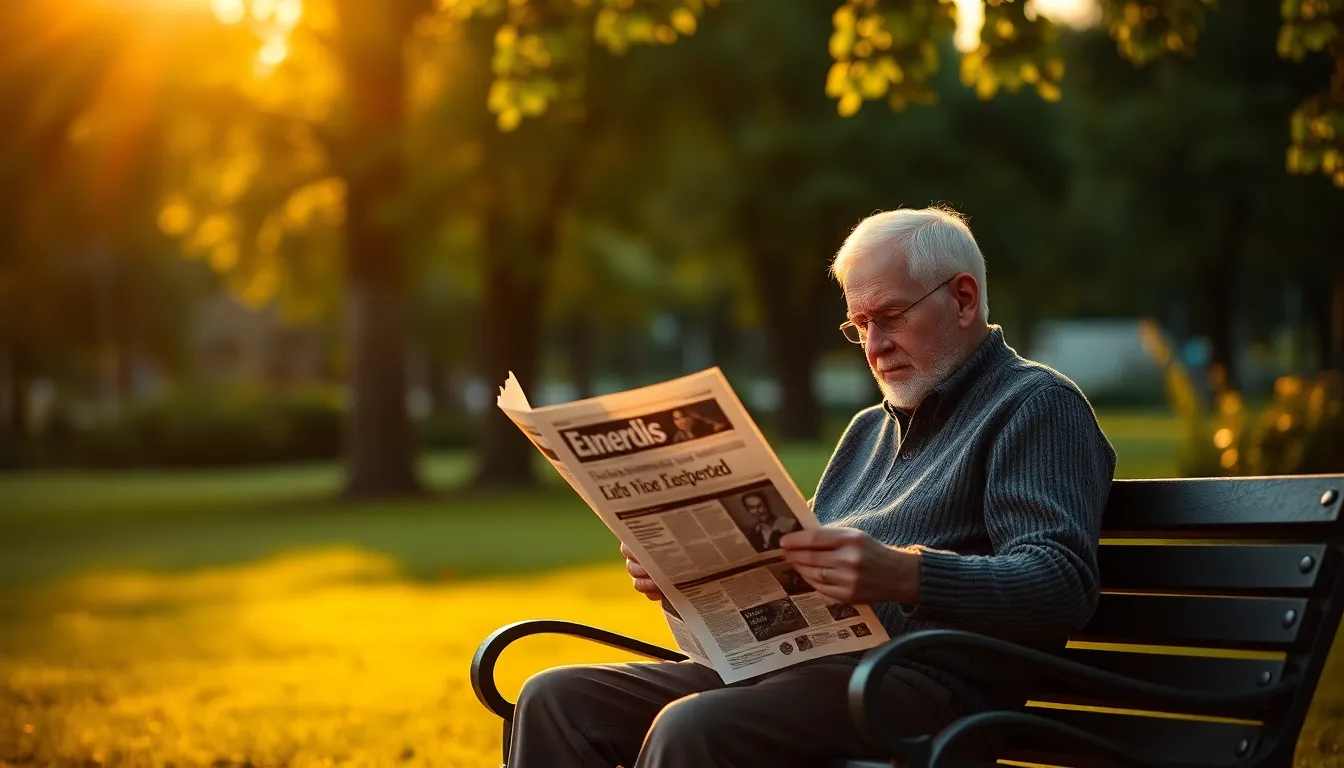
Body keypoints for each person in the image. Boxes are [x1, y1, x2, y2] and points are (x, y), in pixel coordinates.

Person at [506, 206, 1117, 768]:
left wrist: (905, 575)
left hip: (921, 690)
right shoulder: (867, 432)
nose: (874, 347)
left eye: (890, 317)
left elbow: (1062, 582)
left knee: (693, 728)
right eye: (859, 325)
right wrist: (682, 580)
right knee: (557, 699)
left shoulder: (1036, 406)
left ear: (963, 299)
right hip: (802, 671)